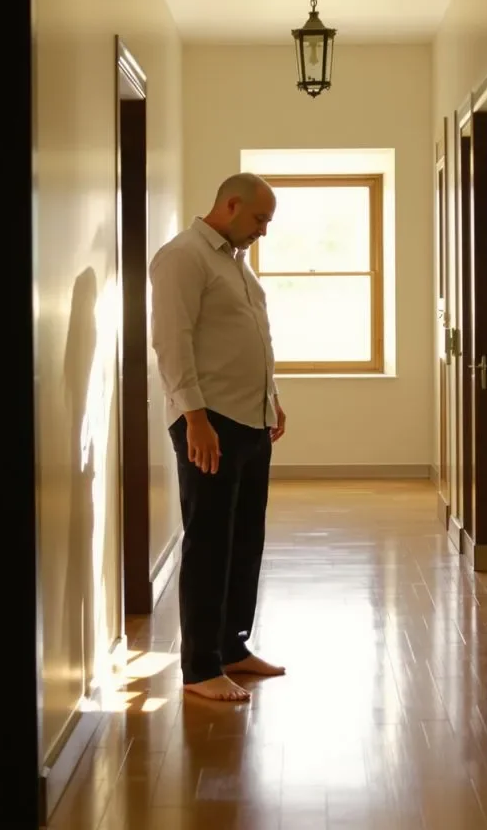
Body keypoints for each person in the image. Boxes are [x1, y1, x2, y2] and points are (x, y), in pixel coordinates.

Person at [149, 172, 289, 702]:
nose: (263, 232)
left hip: (249, 418)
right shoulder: (183, 257)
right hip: (210, 421)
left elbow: (252, 337)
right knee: (209, 541)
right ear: (231, 205)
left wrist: (271, 395)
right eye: (259, 220)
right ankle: (201, 667)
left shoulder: (234, 264)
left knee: (244, 539)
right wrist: (195, 419)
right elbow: (171, 342)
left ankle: (232, 647)